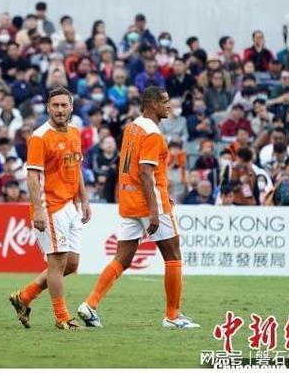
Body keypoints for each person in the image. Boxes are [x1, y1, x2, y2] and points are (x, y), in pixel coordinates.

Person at [77, 87, 200, 329]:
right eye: (165, 102)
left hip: (128, 200)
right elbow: (145, 173)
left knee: (122, 258)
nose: (169, 106)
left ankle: (89, 305)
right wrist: (156, 208)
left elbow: (136, 169)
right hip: (149, 202)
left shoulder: (132, 127)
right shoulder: (153, 133)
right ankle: (172, 316)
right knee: (173, 256)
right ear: (153, 104)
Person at [9, 87, 91, 330]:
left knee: (72, 264)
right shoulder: (40, 136)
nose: (60, 110)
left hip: (71, 205)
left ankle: (24, 297)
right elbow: (32, 177)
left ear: (71, 107)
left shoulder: (76, 133)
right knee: (57, 264)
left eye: (64, 105)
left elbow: (78, 170)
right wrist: (38, 209)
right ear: (48, 108)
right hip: (50, 206)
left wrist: (84, 200)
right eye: (55, 105)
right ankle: (62, 317)